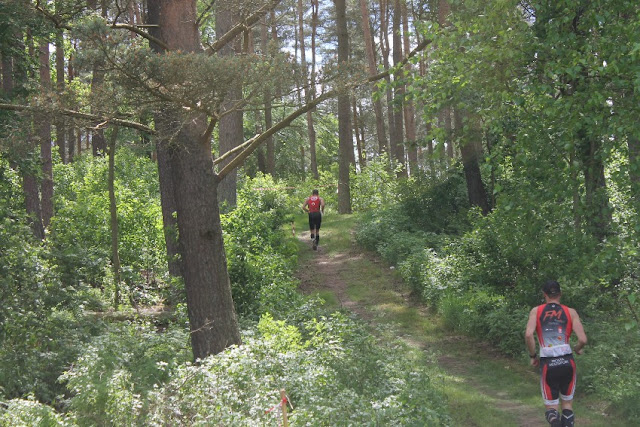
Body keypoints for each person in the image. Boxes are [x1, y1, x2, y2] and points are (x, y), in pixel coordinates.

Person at [525, 280, 587, 427]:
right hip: (568, 361)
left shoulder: (536, 311)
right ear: (560, 293)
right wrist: (577, 349)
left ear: (544, 294)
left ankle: (554, 421)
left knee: (552, 408)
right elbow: (583, 339)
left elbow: (528, 335)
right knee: (567, 404)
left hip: (548, 362)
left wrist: (533, 356)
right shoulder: (571, 312)